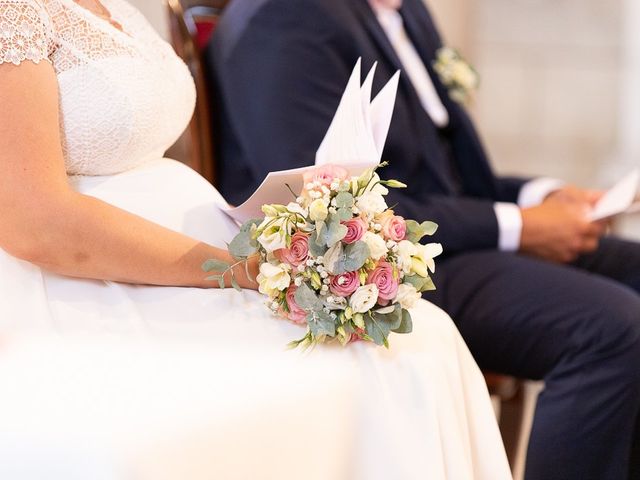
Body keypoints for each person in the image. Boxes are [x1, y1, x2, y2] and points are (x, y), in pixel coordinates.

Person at [0, 0, 513, 478]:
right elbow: (38, 222)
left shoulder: (115, 5)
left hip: (199, 245)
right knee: (383, 358)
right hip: (94, 279)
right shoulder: (14, 13)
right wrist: (233, 269)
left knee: (418, 336)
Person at [207, 0, 640, 478]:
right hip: (385, 265)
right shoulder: (286, 17)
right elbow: (323, 206)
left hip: (449, 238)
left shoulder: (405, 10)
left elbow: (451, 174)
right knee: (613, 328)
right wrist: (522, 224)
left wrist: (546, 196)